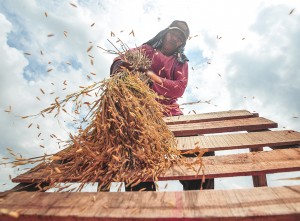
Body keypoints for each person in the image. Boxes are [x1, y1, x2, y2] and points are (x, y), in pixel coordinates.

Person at [110, 20, 214, 191]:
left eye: (180, 38)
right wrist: (120, 68)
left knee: (200, 149)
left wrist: (150, 80)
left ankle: (197, 200)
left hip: (169, 114)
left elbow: (179, 88)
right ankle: (143, 205)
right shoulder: (146, 50)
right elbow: (121, 58)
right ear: (166, 33)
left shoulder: (181, 62)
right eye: (174, 33)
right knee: (136, 154)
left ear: (182, 43)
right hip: (140, 113)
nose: (175, 39)